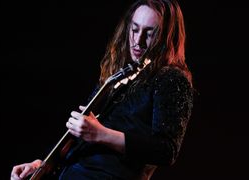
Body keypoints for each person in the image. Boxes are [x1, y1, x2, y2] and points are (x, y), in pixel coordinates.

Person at [11, 0, 194, 179]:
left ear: (167, 37)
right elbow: (77, 134)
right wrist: (41, 164)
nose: (138, 41)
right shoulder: (118, 75)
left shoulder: (171, 78)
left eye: (149, 33)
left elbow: (166, 150)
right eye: (135, 29)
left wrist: (101, 134)